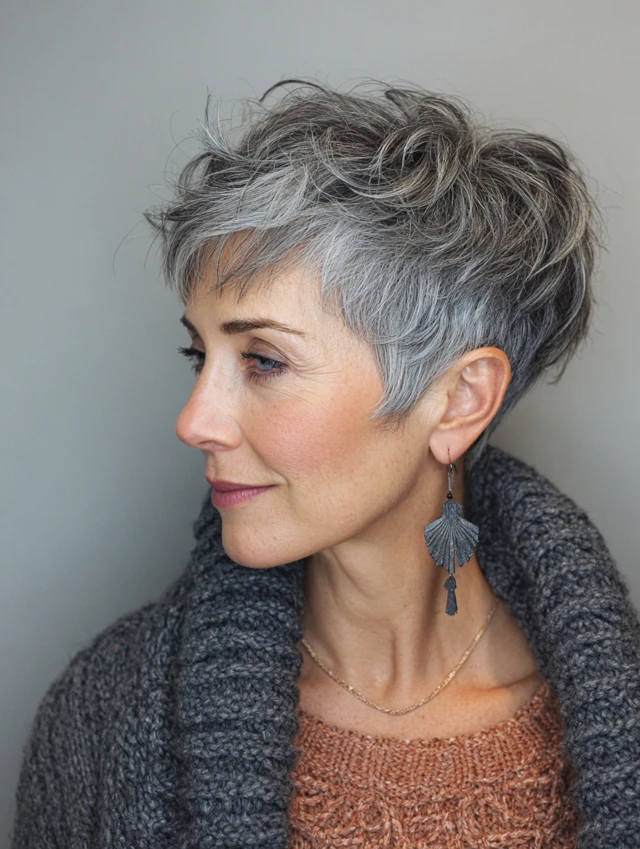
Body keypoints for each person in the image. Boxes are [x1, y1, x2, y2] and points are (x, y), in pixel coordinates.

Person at [10, 78, 640, 849]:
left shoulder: (614, 711)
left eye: (264, 360)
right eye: (199, 355)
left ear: (459, 400)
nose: (193, 421)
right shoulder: (102, 720)